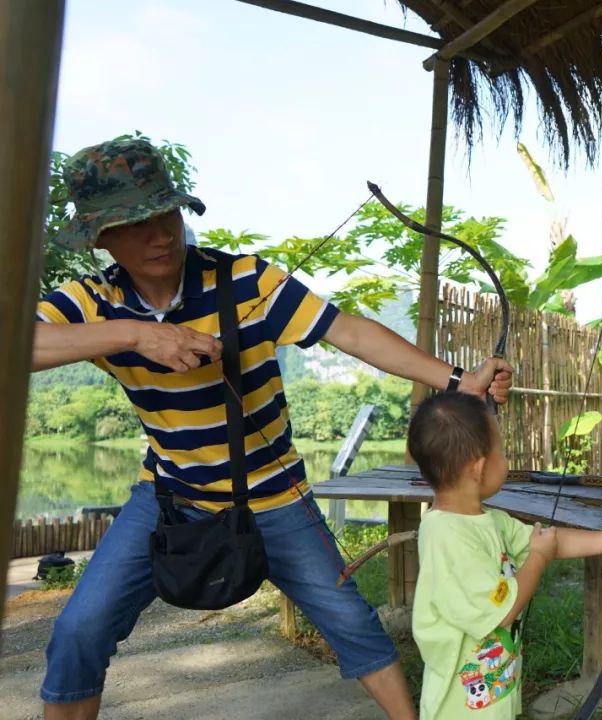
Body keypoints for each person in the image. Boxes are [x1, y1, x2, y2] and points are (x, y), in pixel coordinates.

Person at [32, 138, 513, 720]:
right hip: (168, 499)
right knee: (80, 630)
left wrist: (458, 379)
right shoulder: (93, 302)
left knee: (351, 623)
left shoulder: (245, 281)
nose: (159, 235)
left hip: (275, 496)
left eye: (167, 215)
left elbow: (350, 332)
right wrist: (135, 335)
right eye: (136, 224)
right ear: (101, 237)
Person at [405, 391, 602, 718]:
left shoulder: (488, 521)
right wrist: (537, 557)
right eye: (502, 451)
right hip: (459, 710)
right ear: (478, 468)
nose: (506, 459)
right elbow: (502, 610)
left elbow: (551, 541)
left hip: (491, 698)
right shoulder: (446, 536)